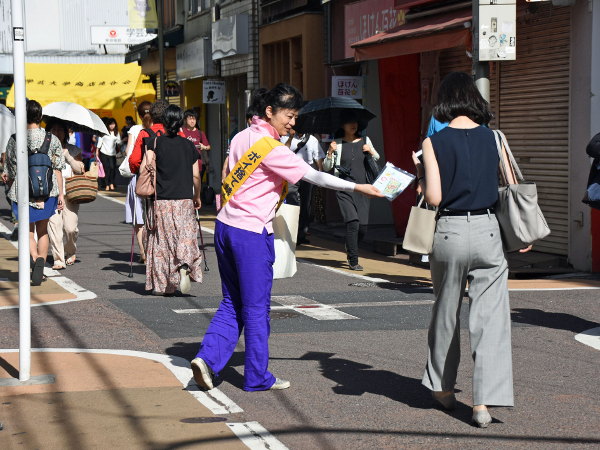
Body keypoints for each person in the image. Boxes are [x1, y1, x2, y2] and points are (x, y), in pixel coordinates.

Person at [191, 84, 382, 392]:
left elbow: (229, 172)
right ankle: (256, 377)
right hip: (251, 233)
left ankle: (207, 360)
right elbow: (314, 176)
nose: (293, 122)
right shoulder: (273, 148)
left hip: (225, 227)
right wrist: (359, 188)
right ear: (270, 112)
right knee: (255, 309)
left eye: (295, 117)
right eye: (289, 116)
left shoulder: (241, 136)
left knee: (232, 303)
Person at [412, 71, 530, 428]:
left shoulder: (433, 142)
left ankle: (444, 389)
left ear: (445, 102)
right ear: (475, 101)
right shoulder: (494, 138)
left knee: (445, 311)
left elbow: (432, 197)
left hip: (447, 233)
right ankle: (482, 404)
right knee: (491, 319)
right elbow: (511, 185)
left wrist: (421, 172)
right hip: (488, 231)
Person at [141, 105, 203, 295]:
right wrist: (197, 196)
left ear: (164, 122)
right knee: (184, 237)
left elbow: (145, 168)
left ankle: (164, 286)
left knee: (162, 243)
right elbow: (195, 176)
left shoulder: (155, 143)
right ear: (181, 122)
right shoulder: (189, 145)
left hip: (162, 202)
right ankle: (184, 265)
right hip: (184, 201)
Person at [4, 100, 66, 285]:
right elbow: (58, 169)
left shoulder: (16, 139)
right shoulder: (51, 139)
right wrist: (61, 195)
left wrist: (12, 187)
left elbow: (11, 170)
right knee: (43, 230)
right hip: (47, 192)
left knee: (27, 232)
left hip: (24, 192)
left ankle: (35, 256)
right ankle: (42, 260)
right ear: (40, 117)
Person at [323, 112, 380, 270]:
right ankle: (353, 259)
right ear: (342, 126)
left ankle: (350, 245)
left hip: (363, 189)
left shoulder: (365, 140)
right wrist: (329, 152)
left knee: (363, 228)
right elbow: (327, 167)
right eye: (349, 122)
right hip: (344, 188)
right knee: (352, 222)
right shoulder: (337, 143)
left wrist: (370, 151)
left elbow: (376, 158)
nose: (353, 125)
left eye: (355, 121)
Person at [46, 118, 85, 269]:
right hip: (51, 192)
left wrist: (68, 156)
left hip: (71, 193)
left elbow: (81, 169)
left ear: (66, 132)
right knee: (55, 225)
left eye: (60, 129)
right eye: (53, 129)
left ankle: (70, 251)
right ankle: (58, 259)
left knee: (70, 228)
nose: (57, 132)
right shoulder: (45, 148)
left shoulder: (73, 149)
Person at [280, 128, 325, 245]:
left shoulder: (313, 140)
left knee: (306, 204)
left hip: (308, 173)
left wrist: (319, 172)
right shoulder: (285, 137)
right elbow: (282, 152)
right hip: (291, 173)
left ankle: (301, 234)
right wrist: (290, 137)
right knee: (291, 201)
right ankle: (290, 232)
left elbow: (318, 156)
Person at [123, 101, 152, 264]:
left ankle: (143, 252)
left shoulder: (134, 129)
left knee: (139, 216)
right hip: (154, 176)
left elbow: (128, 152)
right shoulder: (156, 128)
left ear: (139, 115)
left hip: (137, 176)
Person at [129, 100, 169, 175]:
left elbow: (134, 160)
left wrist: (136, 170)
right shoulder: (173, 132)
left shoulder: (144, 133)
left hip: (150, 177)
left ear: (152, 117)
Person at [222, 107, 256, 183]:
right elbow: (228, 156)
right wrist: (224, 175)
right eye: (251, 119)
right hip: (239, 178)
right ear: (246, 119)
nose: (253, 122)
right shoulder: (238, 137)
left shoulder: (264, 138)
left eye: (255, 119)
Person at [181, 109, 210, 182]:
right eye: (190, 119)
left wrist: (204, 147)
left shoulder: (200, 133)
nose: (192, 121)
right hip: (184, 164)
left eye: (194, 119)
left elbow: (208, 147)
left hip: (199, 165)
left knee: (197, 187)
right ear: (185, 120)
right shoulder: (181, 131)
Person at [97, 118, 121, 191]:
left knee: (112, 168)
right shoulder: (104, 132)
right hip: (104, 152)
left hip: (112, 154)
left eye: (113, 124)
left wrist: (122, 141)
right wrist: (97, 150)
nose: (111, 126)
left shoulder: (117, 133)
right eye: (110, 124)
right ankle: (107, 184)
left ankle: (112, 183)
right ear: (108, 125)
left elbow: (119, 142)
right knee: (105, 169)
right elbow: (100, 141)